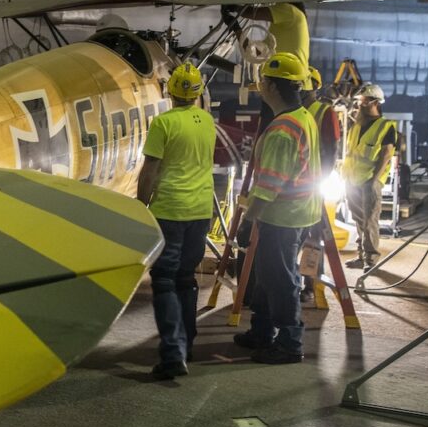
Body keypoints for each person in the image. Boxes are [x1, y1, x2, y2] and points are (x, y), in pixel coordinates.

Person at [234, 52, 320, 364]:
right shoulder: (304, 117)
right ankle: (262, 331)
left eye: (262, 81)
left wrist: (247, 218)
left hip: (283, 217)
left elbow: (269, 186)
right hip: (298, 213)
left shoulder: (283, 129)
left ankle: (289, 342)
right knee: (267, 274)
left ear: (270, 85)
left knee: (281, 279)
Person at [137, 62, 216, 379]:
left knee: (165, 280)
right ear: (198, 92)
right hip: (200, 211)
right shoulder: (207, 121)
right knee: (186, 279)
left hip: (169, 211)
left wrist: (142, 205)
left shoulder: (162, 123)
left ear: (169, 91)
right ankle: (188, 344)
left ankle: (172, 354)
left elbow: (150, 169)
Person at [342, 83, 397, 271]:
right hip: (351, 179)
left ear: (373, 102)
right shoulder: (356, 126)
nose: (359, 105)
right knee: (358, 219)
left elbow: (386, 155)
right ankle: (361, 256)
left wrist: (374, 180)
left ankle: (371, 259)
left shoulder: (385, 126)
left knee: (370, 220)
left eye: (362, 101)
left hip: (369, 181)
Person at [300, 67, 341, 301]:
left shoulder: (325, 112)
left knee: (313, 237)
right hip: (296, 184)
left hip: (312, 184)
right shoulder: (296, 111)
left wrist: (321, 180)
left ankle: (310, 285)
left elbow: (332, 149)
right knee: (299, 236)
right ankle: (302, 283)